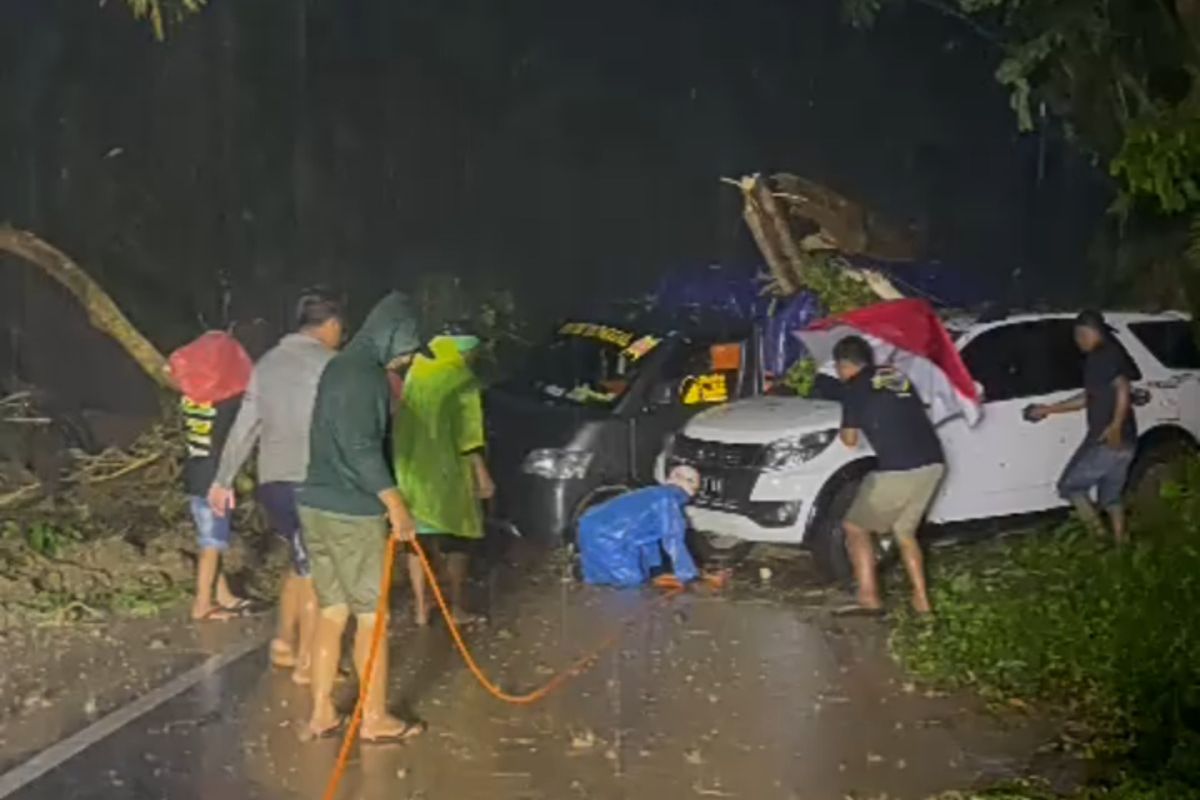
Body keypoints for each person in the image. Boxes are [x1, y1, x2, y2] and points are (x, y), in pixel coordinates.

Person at [298, 291, 427, 743]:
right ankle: (374, 718)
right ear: (392, 338)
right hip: (352, 512)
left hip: (315, 503)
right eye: (410, 349)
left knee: (333, 611)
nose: (410, 360)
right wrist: (396, 506)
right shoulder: (365, 376)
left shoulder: (338, 367)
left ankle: (321, 712)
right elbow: (360, 448)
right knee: (374, 617)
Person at [208, 288, 345, 684]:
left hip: (274, 483)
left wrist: (223, 480)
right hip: (315, 480)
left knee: (300, 562)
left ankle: (284, 644)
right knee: (322, 572)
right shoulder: (333, 366)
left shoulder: (266, 365)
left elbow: (245, 426)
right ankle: (309, 662)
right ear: (331, 326)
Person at [834, 335, 945, 615]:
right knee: (905, 533)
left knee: (855, 527)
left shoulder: (854, 387)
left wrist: (845, 427)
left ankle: (868, 596)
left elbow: (849, 440)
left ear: (843, 366)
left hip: (900, 468)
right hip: (933, 463)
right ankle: (922, 601)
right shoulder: (896, 376)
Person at [392, 334, 495, 626]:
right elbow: (469, 435)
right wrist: (482, 475)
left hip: (411, 472)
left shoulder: (417, 373)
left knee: (419, 541)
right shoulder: (462, 380)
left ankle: (421, 608)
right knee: (457, 540)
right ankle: (456, 608)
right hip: (449, 476)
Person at [1027, 310, 1137, 544]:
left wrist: (1115, 426)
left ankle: (1099, 538)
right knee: (1111, 497)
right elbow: (1088, 398)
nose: (1078, 342)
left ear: (1090, 332)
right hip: (1126, 441)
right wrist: (1048, 410)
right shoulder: (1108, 356)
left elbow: (1123, 387)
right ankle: (1121, 546)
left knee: (1070, 487)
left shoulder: (1102, 356)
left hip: (1107, 438)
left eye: (1079, 335)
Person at [183, 390, 248, 621]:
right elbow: (229, 442)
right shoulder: (227, 403)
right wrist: (226, 480)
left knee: (211, 539)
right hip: (215, 479)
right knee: (212, 542)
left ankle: (223, 595)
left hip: (195, 472)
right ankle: (202, 604)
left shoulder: (190, 397)